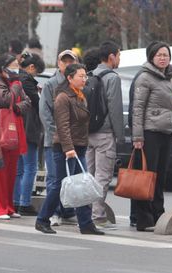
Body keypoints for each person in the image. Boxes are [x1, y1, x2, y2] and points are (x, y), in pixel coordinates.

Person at [35, 64, 104, 235]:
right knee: (59, 186)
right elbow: (62, 126)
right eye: (80, 76)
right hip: (65, 149)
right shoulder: (63, 97)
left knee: (82, 185)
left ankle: (86, 224)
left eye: (85, 76)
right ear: (69, 78)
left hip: (79, 146)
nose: (84, 79)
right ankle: (42, 220)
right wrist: (68, 149)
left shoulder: (80, 95)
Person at [130, 41, 172, 231]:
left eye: (166, 55)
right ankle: (144, 219)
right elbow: (138, 108)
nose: (163, 58)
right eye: (159, 55)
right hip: (149, 132)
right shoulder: (145, 78)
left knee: (160, 177)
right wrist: (137, 136)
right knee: (147, 176)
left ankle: (158, 214)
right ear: (151, 57)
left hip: (166, 132)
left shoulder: (170, 79)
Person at [0, 54, 31, 219]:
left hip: (12, 133)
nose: (17, 67)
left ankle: (8, 207)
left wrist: (16, 106)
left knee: (10, 173)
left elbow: (27, 103)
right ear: (3, 69)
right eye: (14, 64)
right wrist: (16, 90)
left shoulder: (15, 83)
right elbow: (6, 99)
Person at [85, 41, 124, 229]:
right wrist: (120, 135)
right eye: (118, 55)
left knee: (89, 175)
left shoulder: (89, 75)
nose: (119, 59)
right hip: (105, 133)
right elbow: (115, 109)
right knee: (103, 177)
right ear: (111, 57)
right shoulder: (112, 78)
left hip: (88, 133)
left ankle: (85, 214)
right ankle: (98, 216)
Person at [39, 49, 78, 226]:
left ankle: (68, 211)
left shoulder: (78, 85)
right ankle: (53, 213)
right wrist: (57, 133)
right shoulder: (51, 84)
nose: (68, 65)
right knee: (55, 177)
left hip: (73, 139)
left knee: (70, 177)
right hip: (54, 140)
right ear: (58, 63)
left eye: (71, 62)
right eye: (65, 62)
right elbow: (45, 113)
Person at [13, 52, 45, 216]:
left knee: (19, 168)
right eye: (37, 72)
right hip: (29, 128)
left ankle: (16, 201)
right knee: (30, 167)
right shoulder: (27, 81)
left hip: (18, 128)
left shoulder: (17, 79)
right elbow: (38, 104)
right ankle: (25, 203)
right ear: (31, 67)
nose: (36, 75)